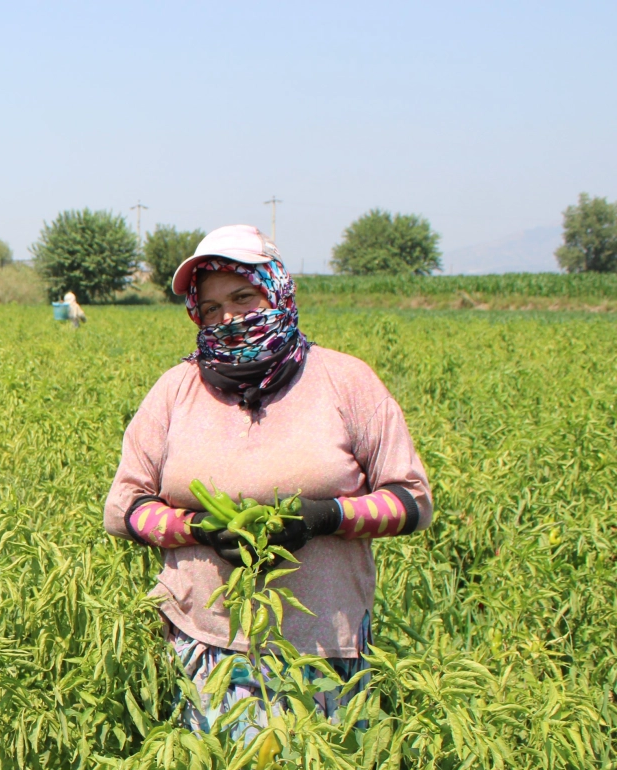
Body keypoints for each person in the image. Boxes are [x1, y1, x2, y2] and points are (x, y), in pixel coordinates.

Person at [102, 224, 431, 732]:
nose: (228, 318)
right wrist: (199, 528)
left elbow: (411, 501)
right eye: (211, 308)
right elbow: (125, 506)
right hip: (204, 645)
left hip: (324, 647)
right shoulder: (176, 390)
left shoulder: (345, 381)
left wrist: (326, 517)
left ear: (277, 290)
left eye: (243, 297)